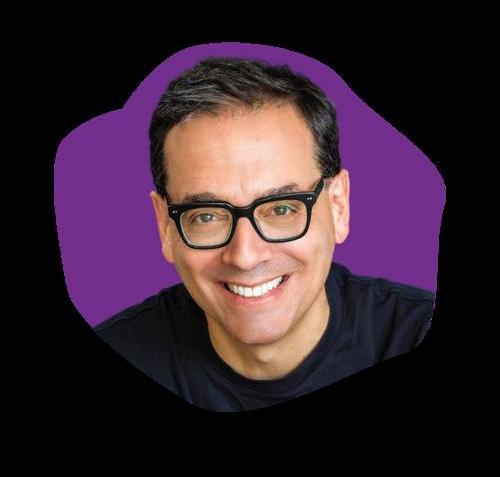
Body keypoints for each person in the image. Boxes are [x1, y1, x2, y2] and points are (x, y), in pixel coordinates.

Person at [93, 56, 435, 412]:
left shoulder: (416, 332)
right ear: (166, 226)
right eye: (207, 216)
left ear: (338, 207)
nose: (245, 256)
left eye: (282, 209)